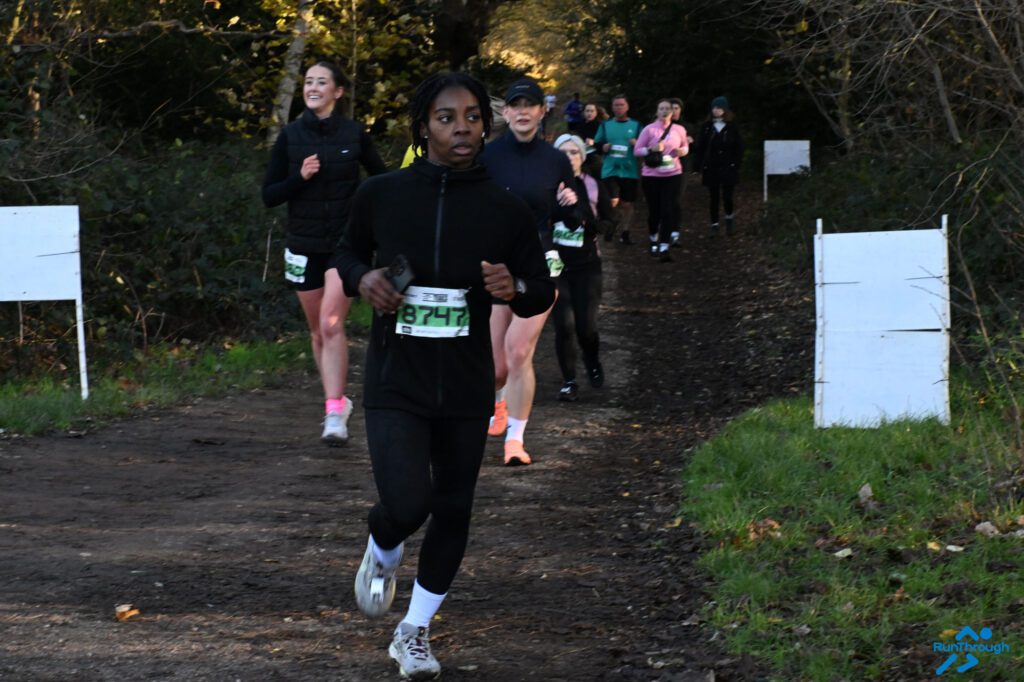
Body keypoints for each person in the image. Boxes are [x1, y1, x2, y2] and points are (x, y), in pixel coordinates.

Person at [333, 71, 555, 680]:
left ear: (486, 123)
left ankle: (414, 632)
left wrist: (519, 287)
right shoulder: (381, 194)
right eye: (446, 117)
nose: (462, 128)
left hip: (464, 383)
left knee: (454, 508)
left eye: (473, 117)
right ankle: (383, 544)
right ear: (422, 128)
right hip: (396, 379)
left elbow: (540, 288)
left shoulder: (503, 208)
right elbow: (346, 253)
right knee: (406, 503)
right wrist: (363, 279)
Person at [261, 60, 387, 445]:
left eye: (321, 82)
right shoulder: (290, 136)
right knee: (318, 331)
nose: (312, 87)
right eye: (308, 82)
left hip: (345, 247)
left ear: (338, 92)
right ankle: (339, 402)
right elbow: (269, 195)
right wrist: (299, 178)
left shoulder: (354, 133)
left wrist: (373, 223)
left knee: (332, 325)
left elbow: (381, 181)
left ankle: (333, 412)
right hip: (303, 245)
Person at [479, 76, 578, 466]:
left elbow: (573, 216)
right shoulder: (487, 157)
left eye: (530, 105)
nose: (522, 112)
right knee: (497, 364)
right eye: (515, 105)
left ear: (541, 111)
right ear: (505, 112)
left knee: (519, 351)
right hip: (495, 262)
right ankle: (498, 403)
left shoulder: (555, 159)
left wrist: (570, 207)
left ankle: (515, 441)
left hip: (539, 261)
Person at [552, 134, 611, 401]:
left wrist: (584, 215)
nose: (568, 157)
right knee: (564, 325)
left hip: (587, 265)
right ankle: (569, 380)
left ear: (582, 157)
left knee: (586, 327)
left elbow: (609, 223)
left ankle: (592, 359)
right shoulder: (545, 186)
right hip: (556, 265)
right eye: (563, 152)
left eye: (574, 152)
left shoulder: (595, 186)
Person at [634, 98, 689, 262]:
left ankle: (664, 246)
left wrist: (682, 151)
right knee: (654, 211)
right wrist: (651, 149)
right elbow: (637, 151)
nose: (665, 112)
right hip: (651, 176)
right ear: (657, 112)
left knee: (668, 209)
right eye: (661, 109)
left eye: (667, 109)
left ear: (672, 112)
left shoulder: (679, 129)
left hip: (673, 174)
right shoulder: (649, 130)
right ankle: (653, 239)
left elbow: (686, 146)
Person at [691, 96, 744, 236]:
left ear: (725, 110)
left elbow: (739, 147)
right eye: (714, 108)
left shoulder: (732, 127)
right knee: (713, 197)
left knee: (728, 196)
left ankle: (729, 220)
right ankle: (714, 224)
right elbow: (701, 148)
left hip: (728, 166)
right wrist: (697, 167)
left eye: (719, 108)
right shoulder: (707, 127)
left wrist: (735, 164)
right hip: (712, 166)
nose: (716, 111)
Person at [593, 94, 641, 245]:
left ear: (627, 107)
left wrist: (637, 144)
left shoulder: (636, 125)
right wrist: (603, 146)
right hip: (610, 169)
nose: (618, 108)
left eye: (621, 105)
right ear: (612, 108)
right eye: (616, 105)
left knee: (627, 204)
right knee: (612, 201)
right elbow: (596, 143)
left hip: (629, 169)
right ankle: (610, 224)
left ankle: (625, 231)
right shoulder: (605, 125)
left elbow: (645, 145)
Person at [668, 97, 695, 247]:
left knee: (676, 199)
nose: (673, 111)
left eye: (676, 108)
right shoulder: (661, 127)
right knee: (665, 199)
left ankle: (675, 232)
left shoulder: (687, 127)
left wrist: (691, 142)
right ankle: (663, 229)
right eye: (671, 108)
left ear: (681, 110)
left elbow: (696, 148)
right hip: (663, 168)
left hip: (682, 168)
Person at [576, 102, 608, 180]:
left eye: (592, 111)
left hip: (596, 158)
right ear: (584, 112)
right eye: (587, 111)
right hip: (582, 157)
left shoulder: (600, 126)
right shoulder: (580, 125)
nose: (589, 113)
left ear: (596, 113)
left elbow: (605, 146)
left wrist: (593, 143)